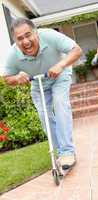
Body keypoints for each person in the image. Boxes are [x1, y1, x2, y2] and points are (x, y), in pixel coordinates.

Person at [4, 18, 82, 169]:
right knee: (44, 115)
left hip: (60, 75)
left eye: (28, 35)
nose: (25, 41)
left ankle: (67, 152)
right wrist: (17, 78)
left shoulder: (50, 36)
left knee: (60, 104)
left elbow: (76, 50)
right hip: (38, 83)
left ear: (36, 33)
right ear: (15, 40)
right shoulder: (13, 54)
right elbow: (7, 79)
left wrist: (60, 65)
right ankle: (60, 152)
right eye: (20, 39)